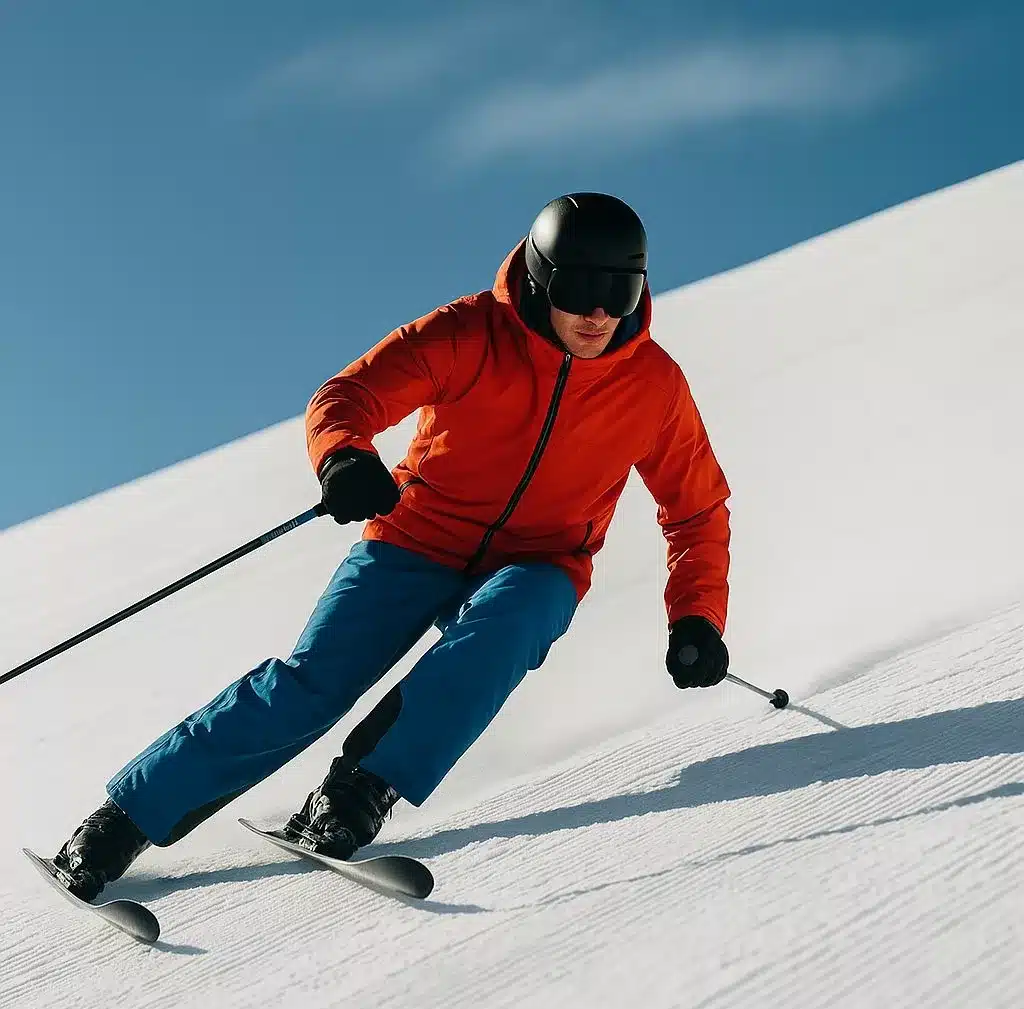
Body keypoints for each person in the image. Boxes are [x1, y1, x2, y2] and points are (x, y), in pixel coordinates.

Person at [52, 192, 732, 901]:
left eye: (619, 291)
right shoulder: (468, 333)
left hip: (542, 559)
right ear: (538, 277)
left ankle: (357, 790)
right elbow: (347, 396)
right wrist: (343, 457)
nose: (599, 314)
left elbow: (696, 510)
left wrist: (697, 617)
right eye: (581, 288)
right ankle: (121, 822)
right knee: (312, 685)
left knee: (518, 618)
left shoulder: (653, 386)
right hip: (415, 538)